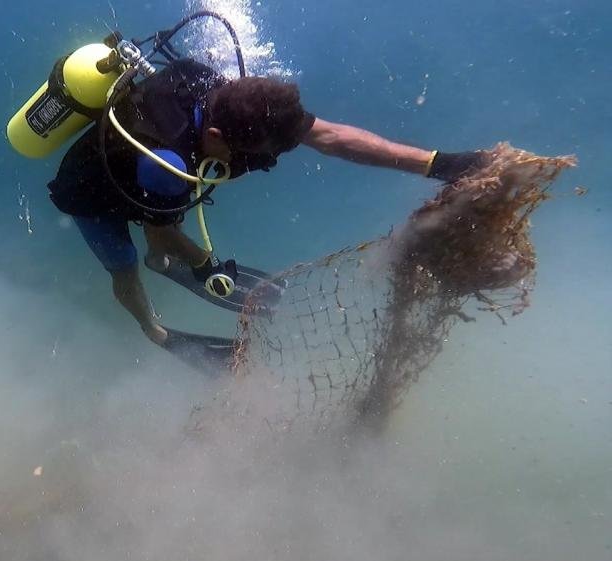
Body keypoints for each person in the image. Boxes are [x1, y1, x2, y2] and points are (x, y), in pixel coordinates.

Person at [47, 58, 485, 348]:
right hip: (92, 192)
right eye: (254, 157)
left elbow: (331, 137)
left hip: (152, 185)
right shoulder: (168, 163)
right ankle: (154, 330)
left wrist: (437, 164)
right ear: (216, 138)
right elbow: (159, 230)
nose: (263, 164)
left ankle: (162, 267)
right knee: (127, 260)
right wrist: (204, 264)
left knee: (161, 243)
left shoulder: (235, 99)